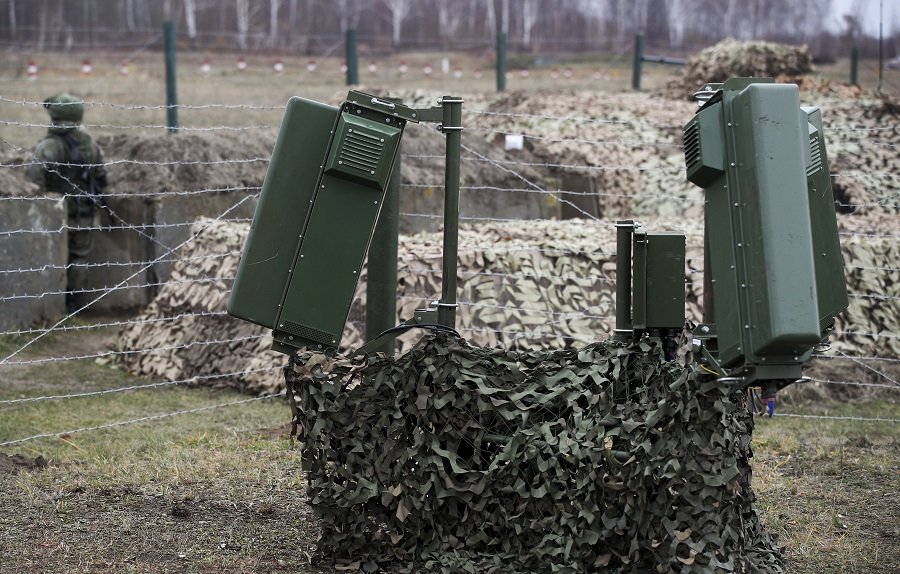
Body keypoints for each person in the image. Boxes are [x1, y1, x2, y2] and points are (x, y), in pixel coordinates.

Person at [26, 93, 109, 312]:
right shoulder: (91, 145)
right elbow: (101, 177)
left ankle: (54, 309)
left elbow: (33, 181)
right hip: (84, 214)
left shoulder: (47, 147)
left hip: (54, 216)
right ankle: (75, 305)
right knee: (79, 259)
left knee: (53, 259)